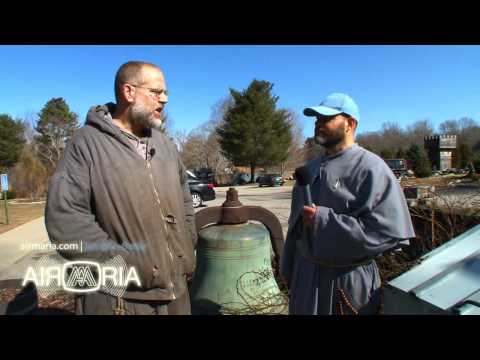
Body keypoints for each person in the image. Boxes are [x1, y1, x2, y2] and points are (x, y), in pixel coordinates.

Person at [45, 61, 197, 315]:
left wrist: (186, 244)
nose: (165, 99)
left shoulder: (165, 145)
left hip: (177, 296)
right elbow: (65, 219)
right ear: (129, 92)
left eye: (166, 93)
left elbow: (185, 201)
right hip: (120, 301)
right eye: (156, 92)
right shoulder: (86, 144)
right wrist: (125, 264)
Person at [280, 93, 415, 315]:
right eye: (316, 120)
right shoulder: (310, 168)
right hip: (305, 279)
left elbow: (387, 234)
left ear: (349, 124)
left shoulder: (372, 168)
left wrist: (324, 221)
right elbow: (296, 228)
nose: (318, 124)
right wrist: (288, 268)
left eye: (327, 119)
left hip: (347, 282)